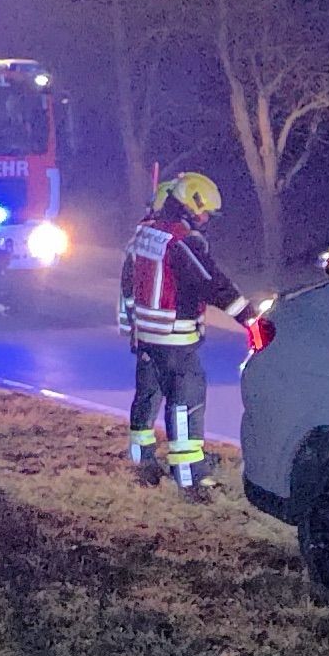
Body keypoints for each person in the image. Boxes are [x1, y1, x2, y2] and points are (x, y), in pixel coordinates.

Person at [119, 172, 252, 499]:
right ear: (190, 204)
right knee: (186, 399)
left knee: (148, 395)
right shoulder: (180, 240)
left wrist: (134, 327)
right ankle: (190, 474)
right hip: (174, 336)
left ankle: (141, 459)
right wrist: (249, 317)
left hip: (146, 334)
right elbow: (211, 282)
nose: (206, 219)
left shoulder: (144, 232)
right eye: (204, 211)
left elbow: (128, 283)